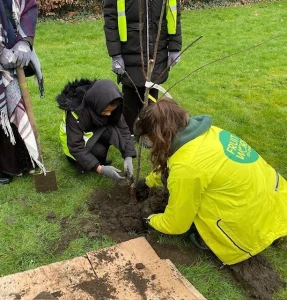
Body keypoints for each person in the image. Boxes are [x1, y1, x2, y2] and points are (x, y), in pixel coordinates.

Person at [134, 97, 287, 265]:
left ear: (159, 135)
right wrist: (148, 181)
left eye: (148, 138)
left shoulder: (187, 168)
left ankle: (222, 239)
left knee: (193, 218)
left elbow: (176, 224)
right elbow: (174, 164)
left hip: (250, 226)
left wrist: (150, 218)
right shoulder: (207, 133)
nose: (148, 143)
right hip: (276, 200)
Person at [103, 0, 182, 134]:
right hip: (129, 46)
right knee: (131, 89)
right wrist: (116, 54)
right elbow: (111, 19)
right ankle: (129, 132)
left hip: (157, 47)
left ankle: (149, 130)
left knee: (152, 88)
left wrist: (175, 47)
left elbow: (174, 13)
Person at [57, 79, 136, 181]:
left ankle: (98, 158)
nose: (109, 114)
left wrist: (128, 156)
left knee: (112, 132)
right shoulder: (76, 113)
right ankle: (84, 165)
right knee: (99, 150)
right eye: (106, 111)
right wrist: (100, 169)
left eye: (111, 111)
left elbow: (123, 129)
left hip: (91, 133)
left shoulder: (106, 102)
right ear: (97, 104)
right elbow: (75, 147)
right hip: (72, 150)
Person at [0, 0, 44, 185]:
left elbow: (29, 7)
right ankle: (3, 167)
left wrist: (24, 42)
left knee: (17, 103)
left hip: (14, 47)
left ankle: (22, 161)